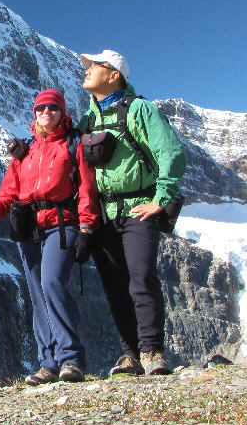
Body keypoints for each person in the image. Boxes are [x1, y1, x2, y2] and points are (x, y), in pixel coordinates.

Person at [0, 89, 100, 385]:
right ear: (35, 112)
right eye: (41, 108)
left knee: (52, 281)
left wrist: (87, 228)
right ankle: (49, 363)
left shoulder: (73, 145)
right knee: (38, 293)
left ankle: (71, 358)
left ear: (62, 111)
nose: (46, 112)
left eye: (53, 108)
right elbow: (9, 193)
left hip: (62, 223)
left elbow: (87, 191)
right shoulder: (25, 150)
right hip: (29, 227)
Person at [77, 50, 187, 376]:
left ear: (114, 75)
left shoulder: (140, 109)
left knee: (141, 280)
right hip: (103, 214)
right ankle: (130, 355)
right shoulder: (88, 120)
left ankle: (152, 350)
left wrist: (161, 199)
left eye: (94, 66)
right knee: (114, 286)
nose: (86, 70)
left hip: (138, 209)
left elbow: (172, 152)